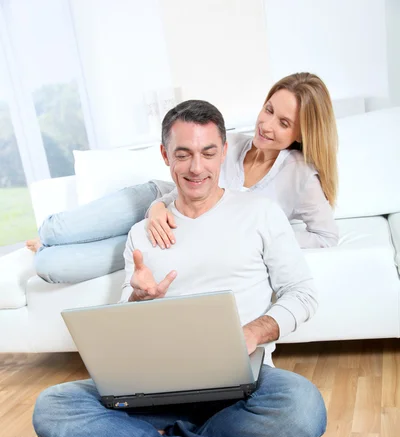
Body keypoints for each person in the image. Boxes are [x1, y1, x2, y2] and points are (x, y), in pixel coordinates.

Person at [33, 100, 327, 437]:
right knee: (52, 407)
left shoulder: (260, 213)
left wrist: (253, 332)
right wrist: (137, 301)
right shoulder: (142, 233)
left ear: (224, 152)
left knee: (304, 407)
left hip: (239, 386)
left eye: (208, 152)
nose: (196, 167)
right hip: (152, 390)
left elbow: (302, 293)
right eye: (183, 153)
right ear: (165, 155)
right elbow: (122, 325)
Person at [27, 72, 338, 284]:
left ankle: (45, 249)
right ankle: (48, 238)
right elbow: (191, 178)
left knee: (50, 266)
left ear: (302, 132)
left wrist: (265, 236)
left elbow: (326, 237)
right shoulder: (233, 143)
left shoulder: (300, 175)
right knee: (57, 228)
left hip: (178, 234)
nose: (266, 125)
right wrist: (156, 208)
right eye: (268, 109)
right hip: (156, 201)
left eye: (283, 122)